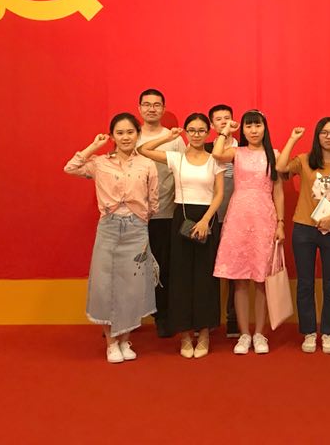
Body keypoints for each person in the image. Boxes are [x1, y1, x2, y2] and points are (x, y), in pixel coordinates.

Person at [64, 113, 159, 364]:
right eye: (120, 133)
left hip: (137, 229)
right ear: (112, 136)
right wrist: (94, 146)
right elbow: (71, 167)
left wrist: (141, 218)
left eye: (130, 132)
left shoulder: (147, 164)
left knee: (132, 286)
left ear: (138, 134)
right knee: (105, 285)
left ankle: (125, 339)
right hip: (108, 228)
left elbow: (154, 199)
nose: (125, 137)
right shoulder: (100, 163)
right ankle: (111, 343)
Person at [138, 113, 225, 359]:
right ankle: (186, 335)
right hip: (182, 218)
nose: (196, 135)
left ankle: (204, 333)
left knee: (205, 277)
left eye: (201, 130)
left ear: (208, 133)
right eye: (192, 130)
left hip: (207, 218)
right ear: (185, 132)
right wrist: (168, 137)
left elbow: (219, 193)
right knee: (181, 277)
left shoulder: (214, 160)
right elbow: (143, 150)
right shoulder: (176, 158)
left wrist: (206, 220)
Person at [276, 118, 330, 354]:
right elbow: (280, 168)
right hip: (304, 228)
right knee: (305, 283)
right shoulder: (304, 160)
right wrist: (293, 139)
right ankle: (309, 332)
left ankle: (329, 332)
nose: (329, 137)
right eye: (324, 132)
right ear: (317, 136)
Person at [212, 110, 285, 355]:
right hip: (238, 217)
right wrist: (225, 131)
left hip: (265, 218)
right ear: (242, 129)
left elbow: (278, 192)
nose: (253, 130)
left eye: (258, 125)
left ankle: (260, 334)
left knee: (262, 280)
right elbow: (216, 153)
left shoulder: (274, 155)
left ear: (265, 128)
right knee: (240, 280)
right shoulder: (237, 152)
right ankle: (244, 334)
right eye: (249, 126)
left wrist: (280, 223)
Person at [136, 88, 186, 337]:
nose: (152, 109)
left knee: (163, 266)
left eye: (157, 105)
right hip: (134, 213)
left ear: (163, 109)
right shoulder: (131, 134)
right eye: (147, 104)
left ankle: (162, 315)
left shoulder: (175, 138)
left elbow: (184, 171)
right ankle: (129, 316)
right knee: (131, 266)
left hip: (165, 211)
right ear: (139, 108)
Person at [205, 104, 239, 338]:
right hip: (210, 217)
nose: (224, 122)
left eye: (228, 118)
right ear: (211, 125)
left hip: (236, 217)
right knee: (208, 269)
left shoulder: (244, 148)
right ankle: (208, 319)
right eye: (219, 119)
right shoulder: (205, 149)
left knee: (235, 272)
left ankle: (233, 319)